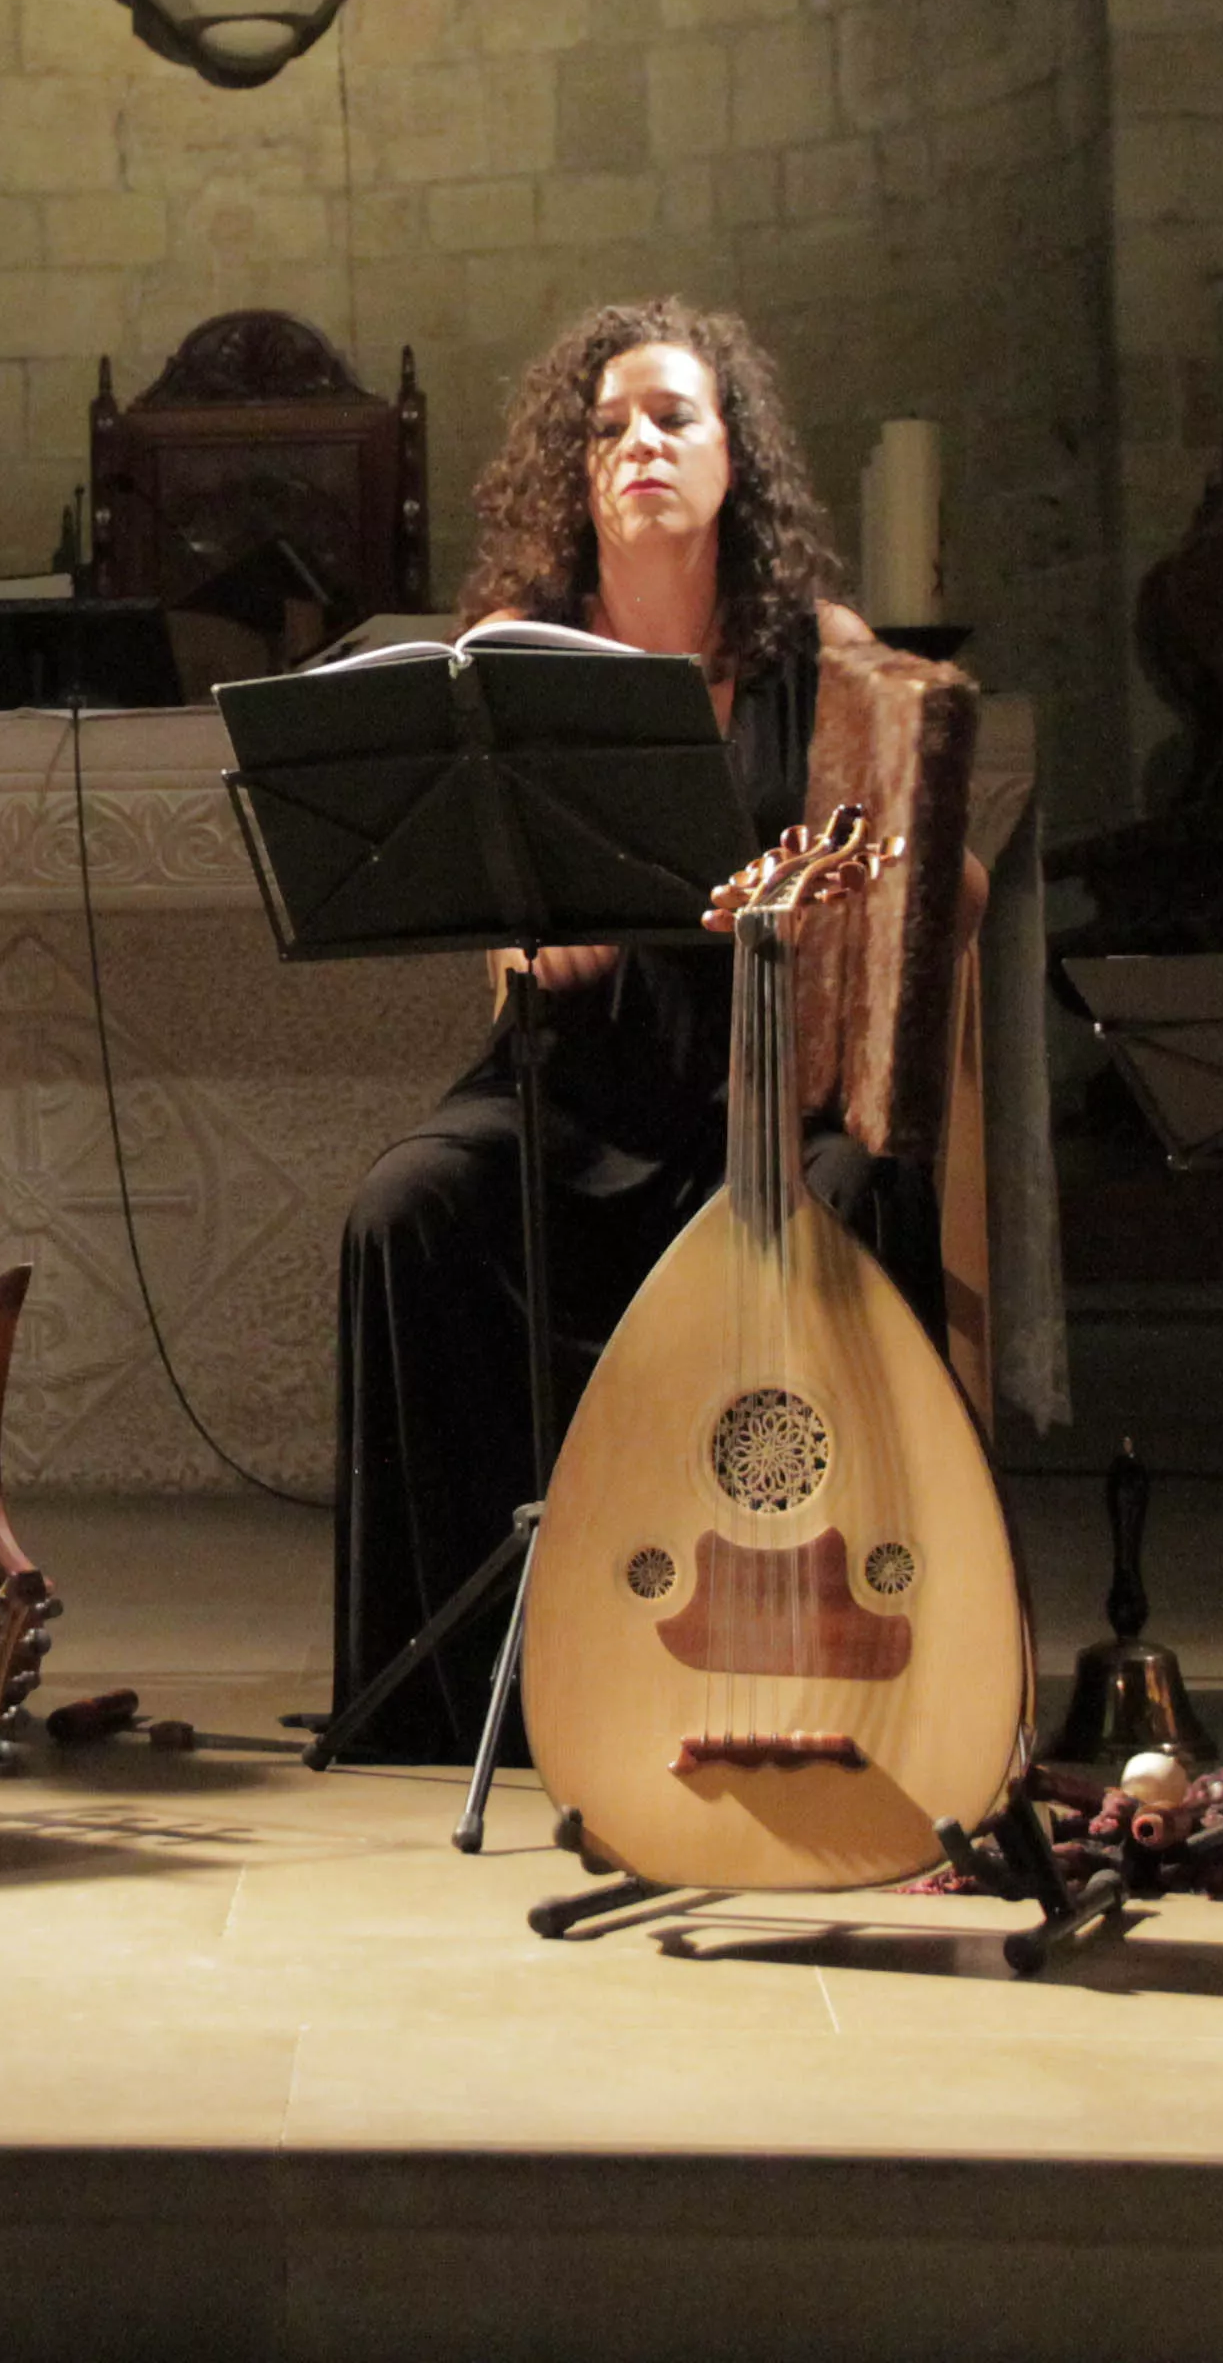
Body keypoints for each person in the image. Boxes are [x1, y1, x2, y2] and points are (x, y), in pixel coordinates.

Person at [331, 298, 886, 1761]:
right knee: (407, 1207)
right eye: (605, 429)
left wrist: (849, 894)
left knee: (848, 1196)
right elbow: (483, 922)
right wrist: (522, 934)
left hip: (755, 1093)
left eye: (671, 419)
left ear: (733, 460)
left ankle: (818, 1649)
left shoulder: (822, 657)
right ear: (573, 476)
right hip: (567, 1087)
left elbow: (925, 860)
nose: (636, 445)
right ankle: (454, 1699)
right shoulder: (516, 650)